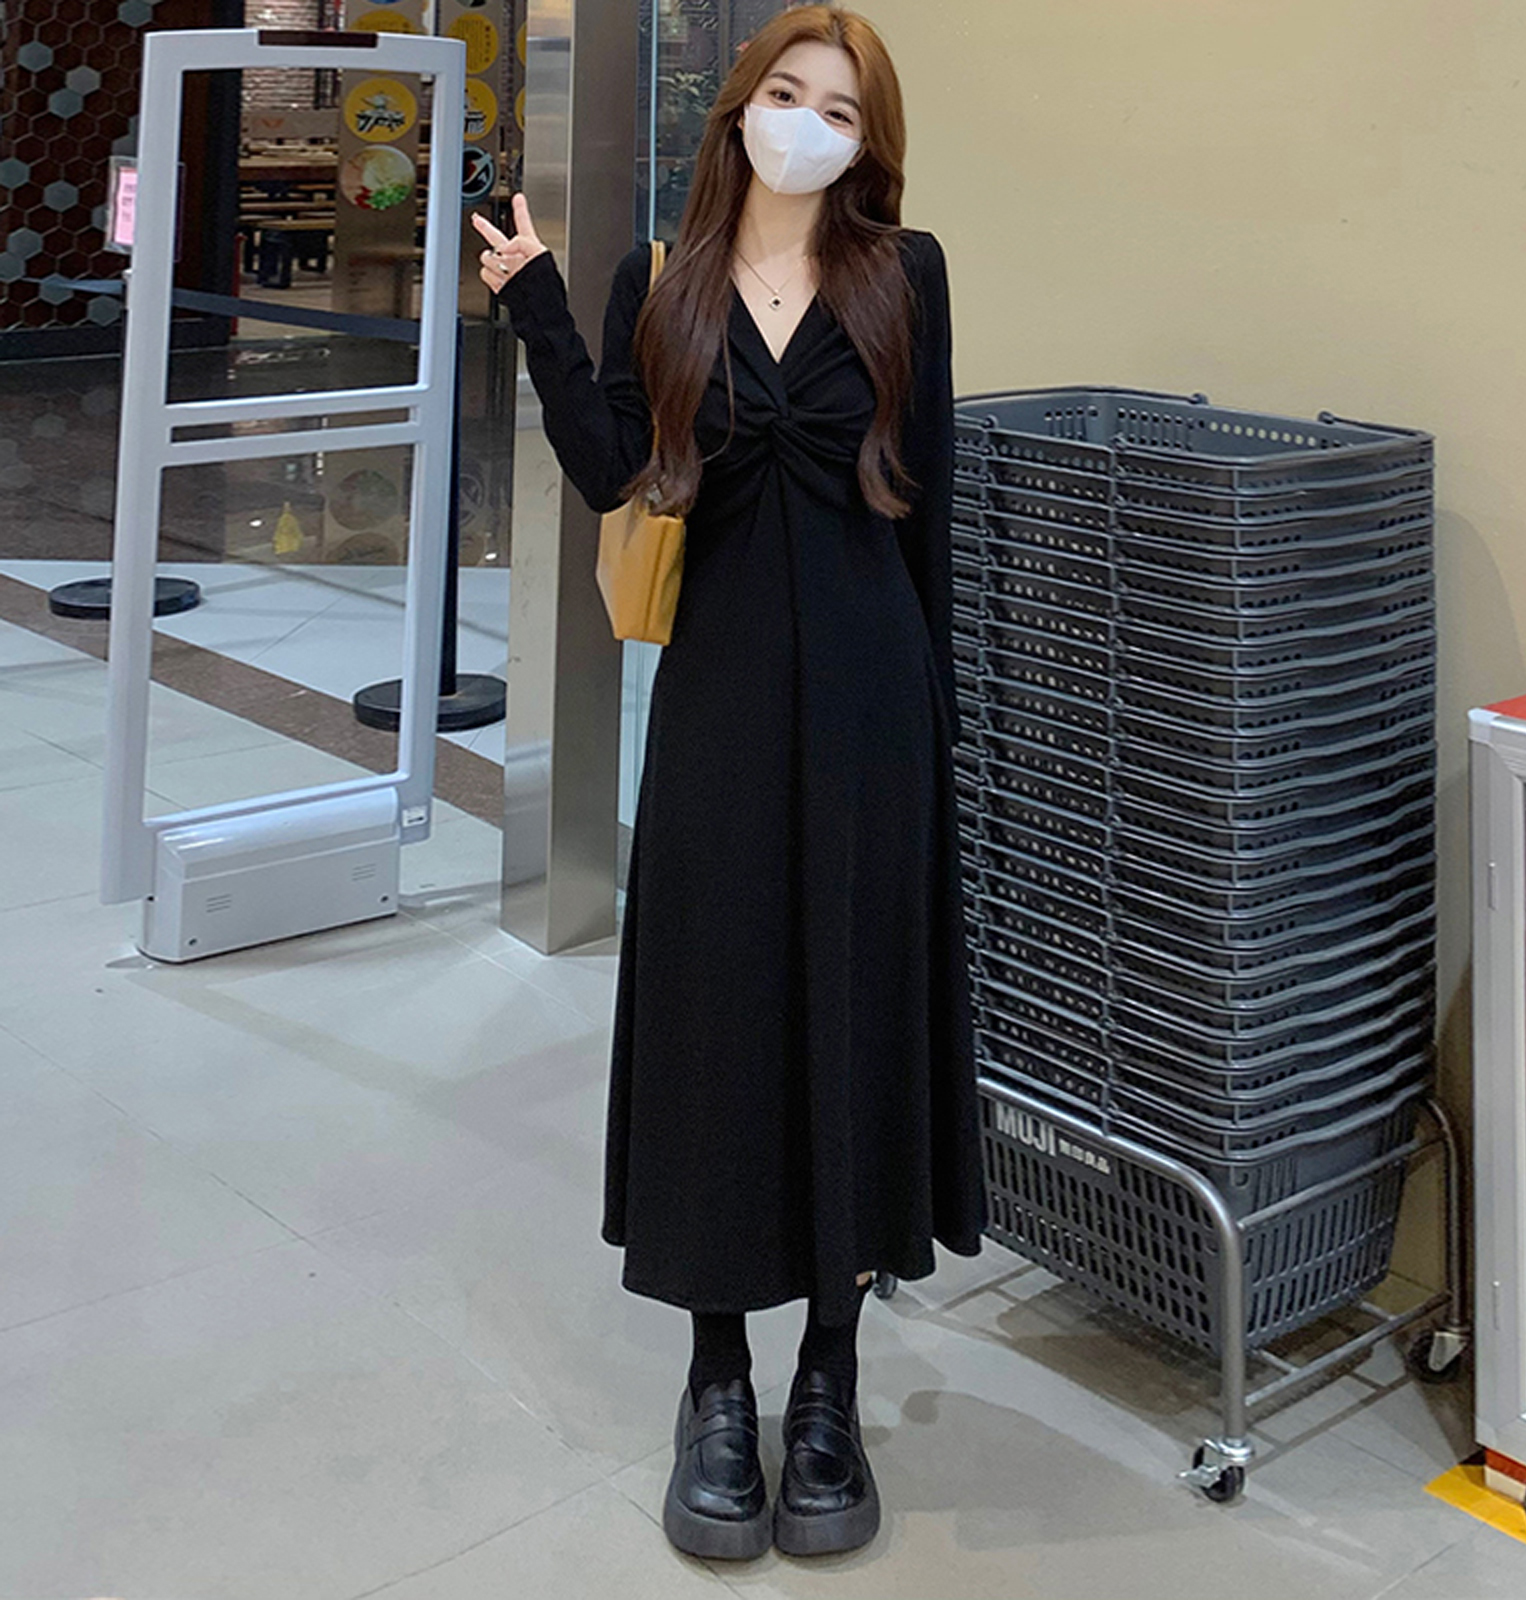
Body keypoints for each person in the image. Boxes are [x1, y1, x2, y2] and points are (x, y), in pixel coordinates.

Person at [470, 3, 984, 1562]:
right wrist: (539, 306)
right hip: (716, 708)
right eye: (787, 91)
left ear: (869, 141)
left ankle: (829, 1375)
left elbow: (928, 503)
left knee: (847, 1011)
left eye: (841, 107)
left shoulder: (905, 275)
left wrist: (941, 724)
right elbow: (617, 470)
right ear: (740, 106)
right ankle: (716, 1377)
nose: (807, 121)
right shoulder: (666, 284)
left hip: (874, 703)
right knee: (715, 1014)